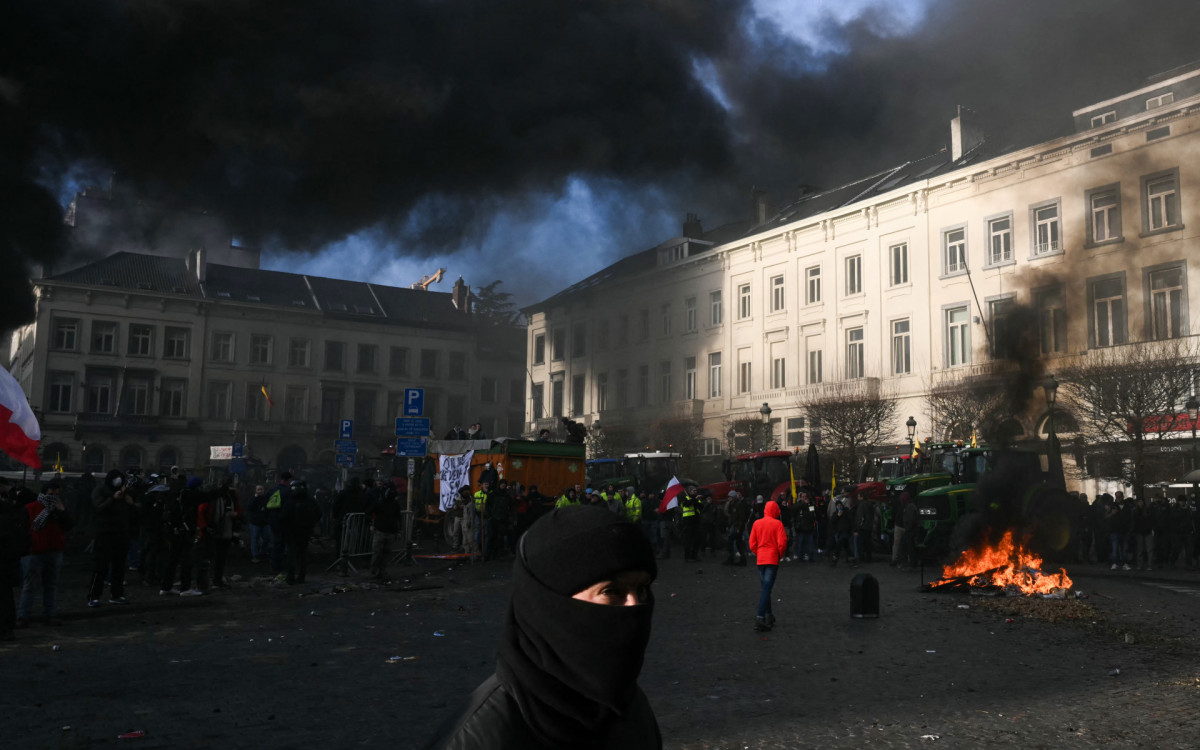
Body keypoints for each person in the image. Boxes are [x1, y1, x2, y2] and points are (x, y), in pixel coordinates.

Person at [427, 505, 661, 749]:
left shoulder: (629, 705)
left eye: (642, 589)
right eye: (611, 591)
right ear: (549, 603)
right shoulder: (480, 737)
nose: (635, 606)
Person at [18, 480, 72, 627]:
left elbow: (68, 525)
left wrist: (62, 511)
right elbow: (26, 529)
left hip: (53, 550)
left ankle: (50, 614)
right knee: (30, 585)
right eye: (51, 494)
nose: (53, 497)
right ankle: (24, 616)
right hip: (35, 551)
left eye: (56, 494)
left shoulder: (58, 509)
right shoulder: (31, 508)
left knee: (50, 585)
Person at [88, 469, 133, 607]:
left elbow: (130, 511)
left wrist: (129, 502)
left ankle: (117, 594)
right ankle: (94, 596)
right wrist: (112, 499)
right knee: (101, 567)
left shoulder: (123, 491)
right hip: (104, 533)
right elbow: (98, 508)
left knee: (119, 567)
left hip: (120, 533)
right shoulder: (101, 490)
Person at [748, 499, 788, 632]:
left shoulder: (757, 523)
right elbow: (782, 543)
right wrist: (779, 555)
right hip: (772, 559)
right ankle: (760, 616)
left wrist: (758, 552)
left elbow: (752, 543)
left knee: (766, 588)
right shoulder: (778, 524)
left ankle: (769, 615)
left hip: (761, 560)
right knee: (766, 589)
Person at [283, 480, 321, 585]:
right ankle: (301, 577)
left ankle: (290, 577)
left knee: (291, 555)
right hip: (305, 532)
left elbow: (284, 516)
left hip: (291, 532)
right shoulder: (310, 500)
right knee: (302, 555)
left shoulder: (290, 501)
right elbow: (318, 513)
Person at [368, 481, 403, 581]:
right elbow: (370, 512)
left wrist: (398, 530)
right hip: (382, 530)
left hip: (387, 530)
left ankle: (380, 570)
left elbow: (398, 517)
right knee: (378, 552)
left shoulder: (392, 503)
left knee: (384, 553)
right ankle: (375, 569)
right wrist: (371, 523)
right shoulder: (381, 502)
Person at [246, 484, 271, 563]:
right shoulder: (252, 499)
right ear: (256, 491)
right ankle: (255, 555)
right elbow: (249, 507)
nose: (260, 491)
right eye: (258, 490)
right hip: (254, 523)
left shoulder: (266, 499)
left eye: (261, 489)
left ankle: (263, 553)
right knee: (255, 539)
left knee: (267, 538)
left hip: (264, 522)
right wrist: (255, 498)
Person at [722, 491, 749, 566]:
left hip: (737, 527)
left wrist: (739, 528)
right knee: (737, 542)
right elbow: (732, 516)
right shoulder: (732, 504)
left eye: (730, 497)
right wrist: (729, 525)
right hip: (735, 526)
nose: (729, 498)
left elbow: (741, 517)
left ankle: (732, 558)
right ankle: (741, 559)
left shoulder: (738, 504)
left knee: (732, 541)